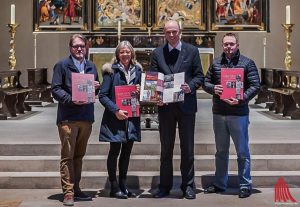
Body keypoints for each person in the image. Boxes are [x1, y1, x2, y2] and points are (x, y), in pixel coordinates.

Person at [150, 20, 204, 199]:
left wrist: (190, 86)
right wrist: (155, 95)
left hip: (186, 105)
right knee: (166, 149)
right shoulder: (157, 53)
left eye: (174, 32)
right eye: (168, 32)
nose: (171, 35)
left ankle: (188, 185)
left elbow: (199, 76)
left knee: (187, 148)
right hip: (165, 107)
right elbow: (154, 78)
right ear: (164, 34)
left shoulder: (192, 51)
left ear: (180, 31)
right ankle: (164, 185)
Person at [203, 32, 260, 198]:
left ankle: (245, 184)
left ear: (237, 45)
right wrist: (214, 88)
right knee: (221, 151)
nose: (228, 47)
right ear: (222, 45)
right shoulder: (215, 64)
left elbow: (256, 85)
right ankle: (220, 183)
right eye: (226, 44)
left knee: (242, 151)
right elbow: (206, 82)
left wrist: (241, 98)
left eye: (231, 44)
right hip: (219, 113)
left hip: (238, 113)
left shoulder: (247, 63)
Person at [51, 34, 100, 206]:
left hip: (86, 117)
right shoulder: (62, 65)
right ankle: (68, 192)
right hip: (68, 118)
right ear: (70, 48)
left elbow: (96, 89)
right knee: (68, 156)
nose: (79, 49)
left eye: (82, 46)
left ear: (86, 47)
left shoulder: (91, 66)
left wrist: (96, 87)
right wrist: (71, 99)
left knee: (79, 155)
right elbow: (55, 89)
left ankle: (76, 188)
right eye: (76, 46)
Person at [99, 41, 142, 199]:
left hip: (131, 118)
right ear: (117, 54)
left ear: (132, 54)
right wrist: (115, 110)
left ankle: (123, 184)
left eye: (128, 52)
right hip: (115, 118)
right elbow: (102, 96)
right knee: (115, 151)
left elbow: (140, 94)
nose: (125, 54)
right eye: (122, 52)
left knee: (127, 153)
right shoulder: (110, 71)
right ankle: (113, 185)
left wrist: (139, 90)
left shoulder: (137, 70)